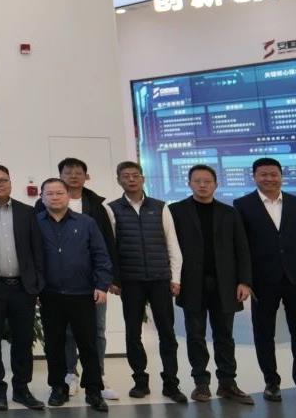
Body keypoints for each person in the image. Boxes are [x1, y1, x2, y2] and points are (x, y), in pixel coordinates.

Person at [36, 157, 120, 399]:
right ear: (42, 198)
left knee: (88, 341)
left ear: (68, 196)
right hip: (50, 294)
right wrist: (35, 289)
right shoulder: (35, 223)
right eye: (49, 194)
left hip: (84, 292)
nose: (55, 197)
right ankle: (58, 387)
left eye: (59, 193)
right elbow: (30, 258)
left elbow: (101, 254)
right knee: (55, 343)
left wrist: (102, 284)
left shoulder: (87, 222)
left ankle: (94, 390)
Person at [170, 164, 253, 404]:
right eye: (197, 181)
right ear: (189, 183)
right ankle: (201, 384)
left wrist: (245, 281)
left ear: (216, 184)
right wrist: (173, 278)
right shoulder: (176, 211)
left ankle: (227, 383)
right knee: (195, 335)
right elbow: (169, 248)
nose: (202, 185)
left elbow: (242, 248)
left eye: (207, 181)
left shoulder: (230, 213)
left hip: (225, 284)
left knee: (225, 335)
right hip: (191, 283)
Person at [103, 161, 185, 403]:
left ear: (143, 178)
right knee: (133, 333)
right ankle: (140, 381)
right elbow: (111, 248)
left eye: (135, 175)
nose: (131, 179)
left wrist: (176, 277)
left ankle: (171, 383)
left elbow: (172, 243)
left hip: (160, 279)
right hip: (131, 281)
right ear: (119, 180)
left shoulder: (160, 207)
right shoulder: (111, 209)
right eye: (126, 176)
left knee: (167, 332)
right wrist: (114, 279)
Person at [0, 164, 45, 411]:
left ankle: (21, 389)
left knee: (23, 340)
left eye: (2, 180)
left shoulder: (27, 212)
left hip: (22, 287)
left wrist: (37, 284)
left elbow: (37, 250)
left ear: (10, 183)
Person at [233, 157, 295, 403]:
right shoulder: (242, 205)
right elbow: (241, 246)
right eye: (263, 174)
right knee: (264, 333)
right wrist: (244, 280)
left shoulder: (293, 202)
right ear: (254, 177)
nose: (269, 178)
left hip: (294, 278)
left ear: (281, 176)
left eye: (273, 174)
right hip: (261, 280)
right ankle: (271, 382)